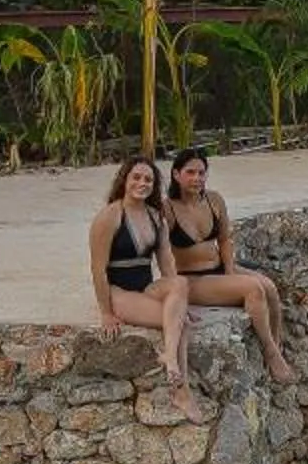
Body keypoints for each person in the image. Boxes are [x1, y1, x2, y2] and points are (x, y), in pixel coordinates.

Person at [165, 148, 295, 381]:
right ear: (176, 174)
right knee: (253, 289)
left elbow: (224, 239)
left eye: (201, 173)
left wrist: (229, 270)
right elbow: (162, 253)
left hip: (219, 269)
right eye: (190, 172)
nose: (197, 178)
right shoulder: (168, 209)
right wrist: (174, 293)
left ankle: (277, 345)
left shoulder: (214, 200)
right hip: (192, 278)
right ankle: (270, 351)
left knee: (270, 287)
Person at [89, 156, 191, 386]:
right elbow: (97, 269)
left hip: (145, 288)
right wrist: (106, 313)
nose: (142, 183)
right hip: (118, 293)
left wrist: (180, 301)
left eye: (148, 180)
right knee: (180, 324)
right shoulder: (109, 217)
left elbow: (166, 262)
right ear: (124, 180)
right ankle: (180, 385)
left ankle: (170, 358)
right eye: (136, 177)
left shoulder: (156, 217)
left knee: (181, 284)